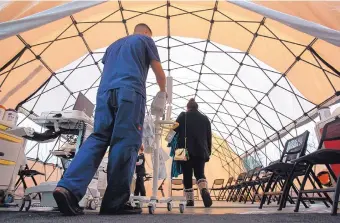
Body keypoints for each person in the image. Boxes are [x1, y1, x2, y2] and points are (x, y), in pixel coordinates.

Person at [53, 23, 166, 216]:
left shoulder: (113, 46)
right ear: (147, 32)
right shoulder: (146, 40)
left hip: (105, 93)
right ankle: (114, 203)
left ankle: (68, 189)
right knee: (125, 142)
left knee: (98, 138)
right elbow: (158, 72)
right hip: (130, 92)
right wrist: (163, 93)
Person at [174, 98, 212, 207]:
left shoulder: (183, 116)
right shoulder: (205, 119)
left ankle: (190, 200)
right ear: (196, 107)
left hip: (185, 151)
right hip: (201, 151)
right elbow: (209, 137)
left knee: (187, 175)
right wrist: (208, 151)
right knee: (200, 173)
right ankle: (204, 189)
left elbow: (173, 129)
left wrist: (168, 139)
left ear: (188, 107)